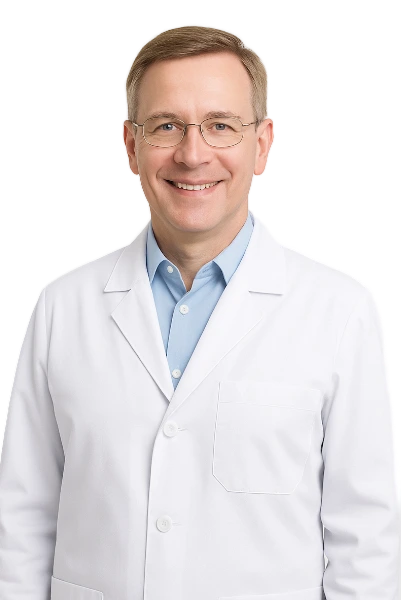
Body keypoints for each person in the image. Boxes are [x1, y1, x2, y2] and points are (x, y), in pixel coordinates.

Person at [0, 23, 399, 600]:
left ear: (262, 144)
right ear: (129, 146)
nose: (192, 154)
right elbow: (22, 520)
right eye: (167, 126)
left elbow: (368, 543)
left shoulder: (338, 312)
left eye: (221, 125)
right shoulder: (62, 307)